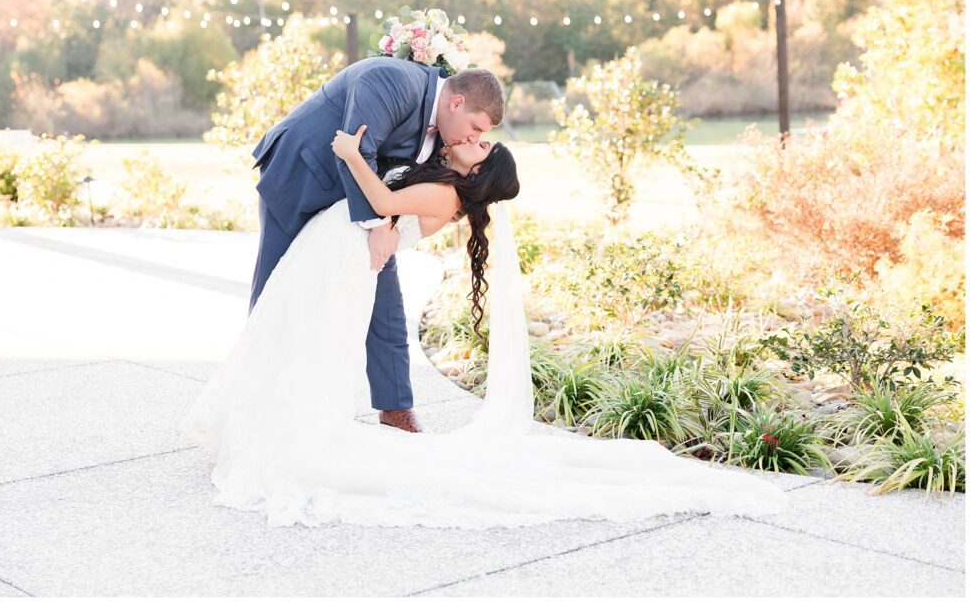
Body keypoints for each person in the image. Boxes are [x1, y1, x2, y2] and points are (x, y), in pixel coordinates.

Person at [178, 125, 789, 530]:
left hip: (342, 260)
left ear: (480, 171)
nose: (469, 142)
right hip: (337, 252)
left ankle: (286, 430)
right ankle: (268, 417)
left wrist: (347, 155)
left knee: (307, 343)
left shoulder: (447, 201)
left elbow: (386, 207)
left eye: (478, 147)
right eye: (474, 137)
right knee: (290, 333)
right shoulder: (440, 180)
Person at [247, 57, 505, 432]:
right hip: (300, 176)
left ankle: (396, 408)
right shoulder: (392, 80)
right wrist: (381, 223)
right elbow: (357, 149)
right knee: (275, 292)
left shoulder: (448, 137)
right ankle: (255, 401)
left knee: (386, 305)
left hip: (357, 215)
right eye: (475, 128)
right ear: (456, 103)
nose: (471, 138)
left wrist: (388, 224)